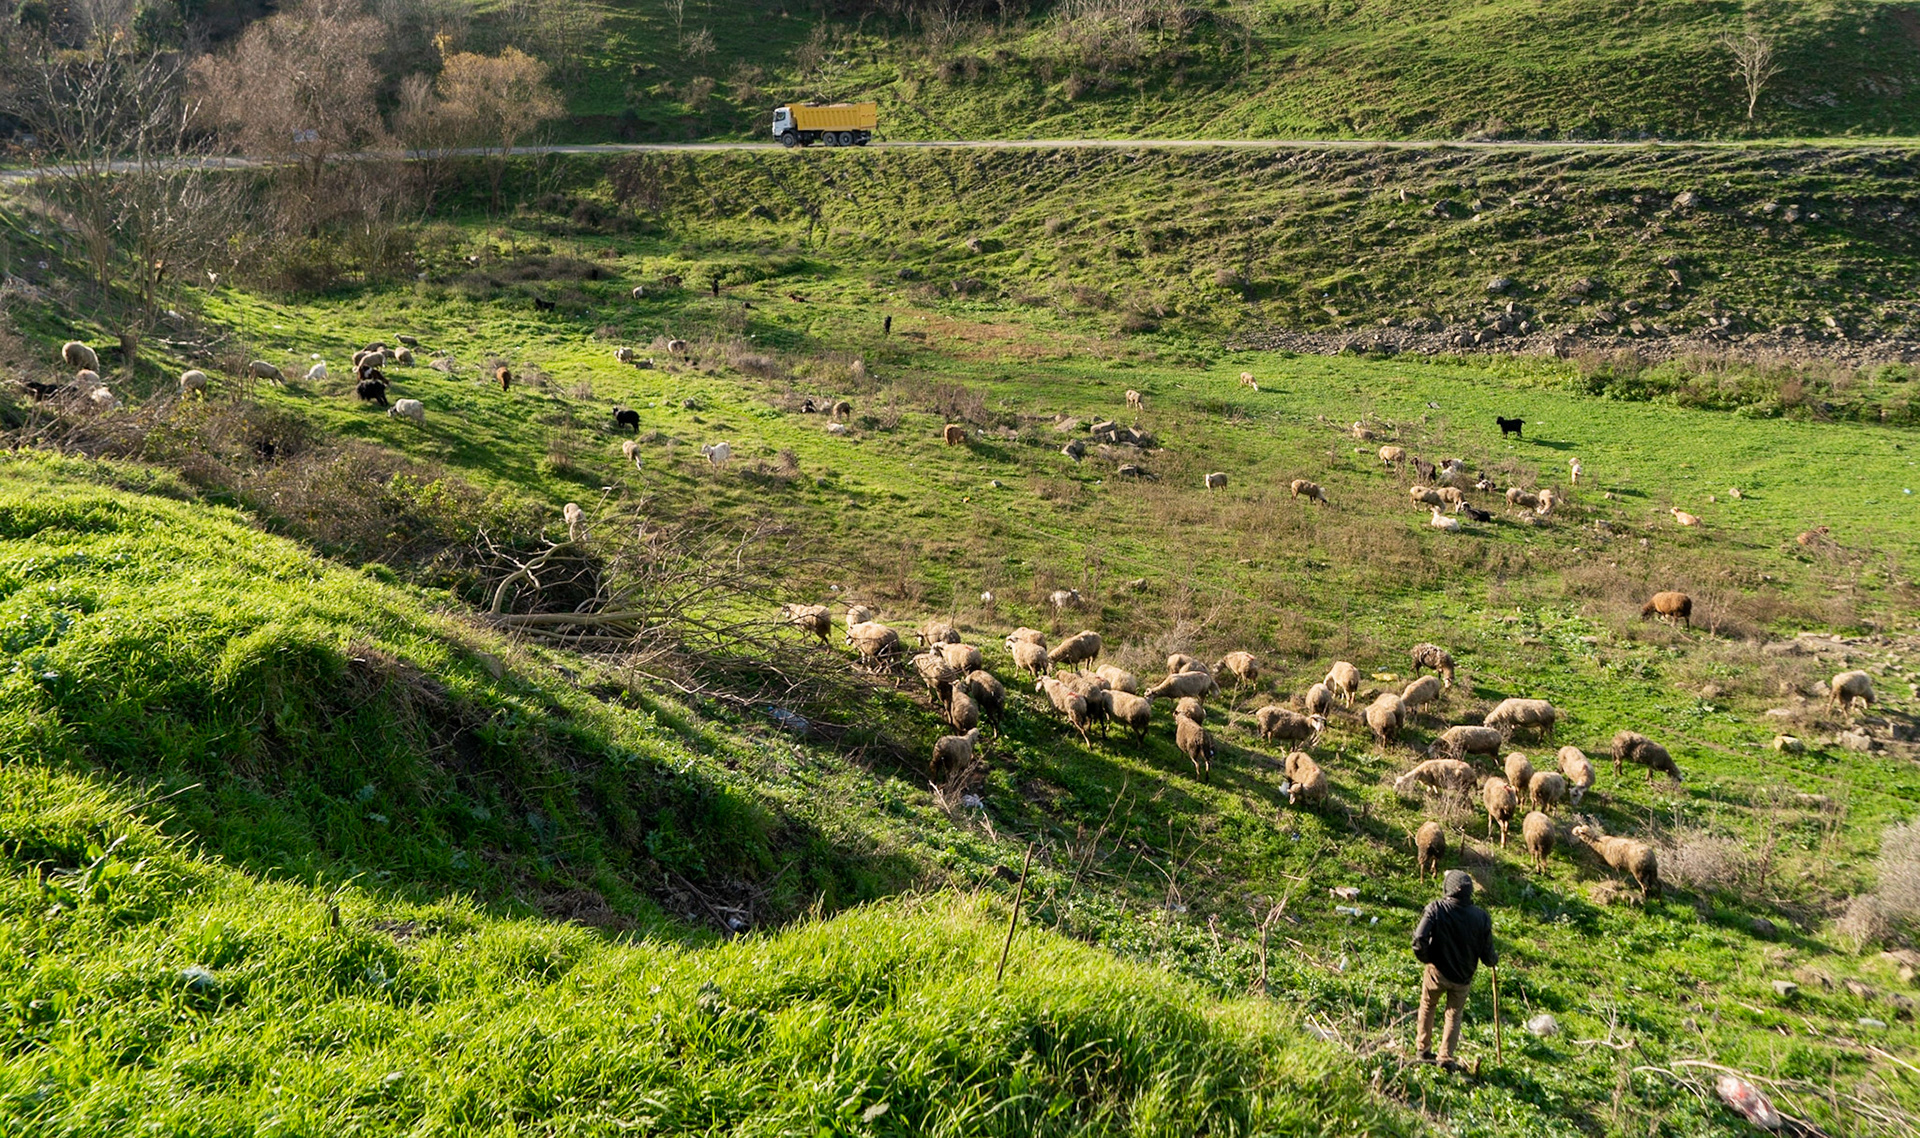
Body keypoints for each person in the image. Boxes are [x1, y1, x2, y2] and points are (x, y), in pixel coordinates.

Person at [1410, 869, 1497, 1069]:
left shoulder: (1436, 908)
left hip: (1436, 972)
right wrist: (1493, 960)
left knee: (1428, 1005)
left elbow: (1419, 940)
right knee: (1453, 1015)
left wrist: (1428, 958)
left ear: (1448, 888)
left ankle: (1423, 1050)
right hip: (1463, 977)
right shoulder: (1481, 917)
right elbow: (1488, 955)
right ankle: (1446, 1058)